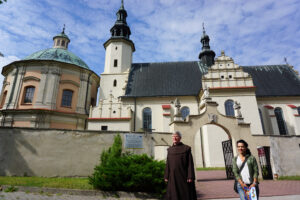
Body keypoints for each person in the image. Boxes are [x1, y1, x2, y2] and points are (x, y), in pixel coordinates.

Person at [164, 131, 197, 200]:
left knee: (184, 193)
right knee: (173, 193)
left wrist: (190, 176)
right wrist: (166, 176)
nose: (174, 138)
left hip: (183, 176)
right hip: (172, 177)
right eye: (173, 136)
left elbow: (190, 163)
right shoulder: (170, 150)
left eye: (176, 136)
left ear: (180, 138)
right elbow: (168, 164)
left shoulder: (186, 148)